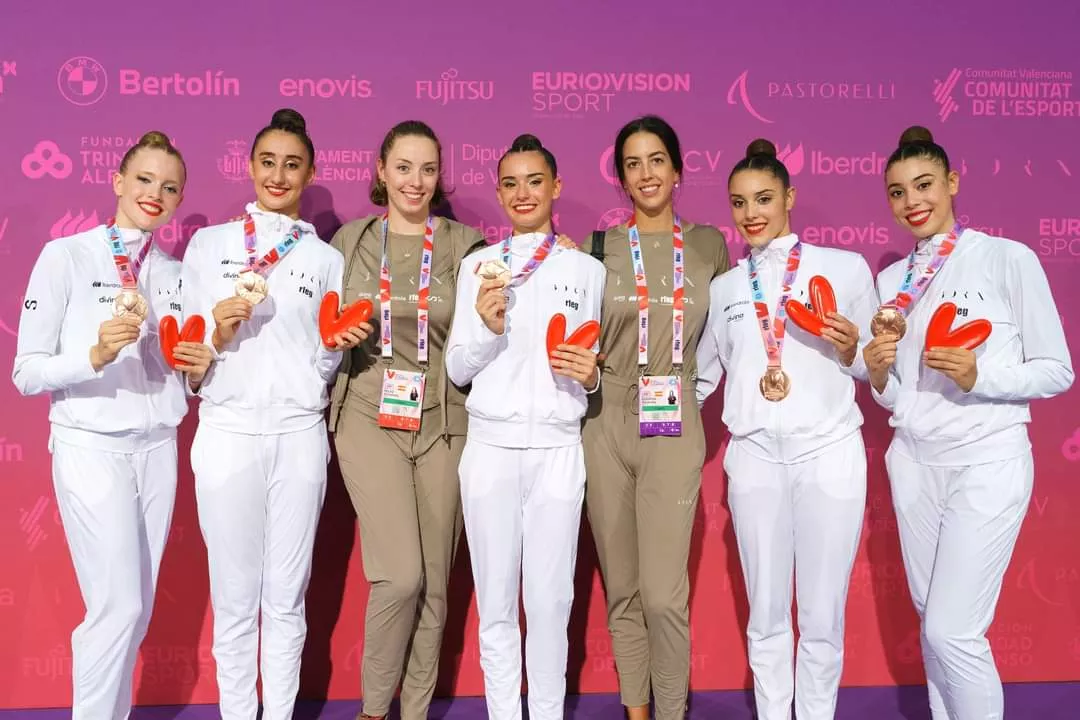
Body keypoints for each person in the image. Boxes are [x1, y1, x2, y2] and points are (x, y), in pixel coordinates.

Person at [863, 126, 1074, 720]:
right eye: (898, 192)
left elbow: (1056, 371)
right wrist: (880, 377)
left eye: (925, 185)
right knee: (935, 627)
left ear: (953, 184)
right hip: (914, 466)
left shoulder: (1007, 259)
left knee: (954, 632)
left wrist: (980, 377)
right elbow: (898, 398)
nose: (913, 202)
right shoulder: (891, 284)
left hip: (987, 461)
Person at [12, 131, 208, 720]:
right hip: (90, 446)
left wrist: (197, 370)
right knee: (117, 608)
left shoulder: (175, 273)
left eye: (169, 186)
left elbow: (185, 369)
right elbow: (26, 372)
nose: (156, 193)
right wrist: (93, 356)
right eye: (144, 179)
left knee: (135, 611)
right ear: (118, 181)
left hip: (157, 448)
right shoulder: (66, 256)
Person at [180, 109, 362, 720]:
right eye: (267, 162)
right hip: (227, 433)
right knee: (235, 599)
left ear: (310, 173)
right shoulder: (210, 247)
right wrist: (215, 333)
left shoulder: (324, 258)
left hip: (298, 437)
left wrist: (328, 359)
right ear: (249, 166)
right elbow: (188, 355)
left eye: (292, 164)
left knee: (286, 598)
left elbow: (324, 358)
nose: (278, 175)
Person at [696, 139, 876, 720]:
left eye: (764, 199)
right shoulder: (724, 289)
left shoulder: (844, 269)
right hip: (753, 459)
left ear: (789, 197)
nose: (752, 214)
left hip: (829, 453)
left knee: (823, 612)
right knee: (766, 610)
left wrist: (852, 348)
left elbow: (876, 365)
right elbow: (704, 376)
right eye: (740, 202)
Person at [326, 120, 485, 720]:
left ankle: (413, 711)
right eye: (403, 167)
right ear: (380, 171)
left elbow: (511, 296)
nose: (415, 181)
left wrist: (564, 248)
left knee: (437, 586)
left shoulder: (467, 245)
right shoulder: (350, 241)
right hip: (368, 414)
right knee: (399, 578)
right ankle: (372, 710)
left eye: (427, 169)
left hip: (446, 422)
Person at [446, 134, 605, 720]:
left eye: (534, 180)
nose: (523, 193)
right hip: (490, 448)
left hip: (559, 450)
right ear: (498, 192)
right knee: (495, 603)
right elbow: (457, 368)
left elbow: (596, 372)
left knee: (551, 599)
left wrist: (590, 379)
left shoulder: (586, 270)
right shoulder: (477, 269)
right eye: (510, 183)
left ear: (556, 187)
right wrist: (487, 329)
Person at [579, 115, 729, 720]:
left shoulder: (709, 245)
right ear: (620, 177)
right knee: (624, 589)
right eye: (633, 164)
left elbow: (723, 338)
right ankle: (635, 709)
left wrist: (691, 392)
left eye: (657, 160)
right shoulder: (597, 248)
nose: (646, 174)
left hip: (672, 415)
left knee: (664, 594)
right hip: (605, 416)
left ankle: (671, 709)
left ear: (678, 168)